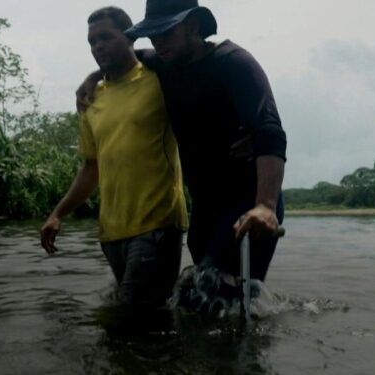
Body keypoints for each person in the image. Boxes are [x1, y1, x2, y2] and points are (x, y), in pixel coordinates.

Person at [78, 0, 287, 294]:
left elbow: (271, 134)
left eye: (166, 33)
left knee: (217, 288)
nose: (158, 43)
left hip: (247, 202)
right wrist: (93, 76)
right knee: (201, 299)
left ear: (192, 26)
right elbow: (129, 55)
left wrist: (265, 206)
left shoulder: (235, 64)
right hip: (204, 206)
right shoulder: (164, 62)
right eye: (153, 35)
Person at [40, 7, 188, 308]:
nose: (98, 47)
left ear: (130, 37)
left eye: (106, 37)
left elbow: (202, 86)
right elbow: (90, 168)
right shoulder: (91, 99)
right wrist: (58, 213)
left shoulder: (161, 80)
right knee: (143, 326)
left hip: (157, 223)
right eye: (92, 42)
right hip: (111, 232)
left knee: (129, 319)